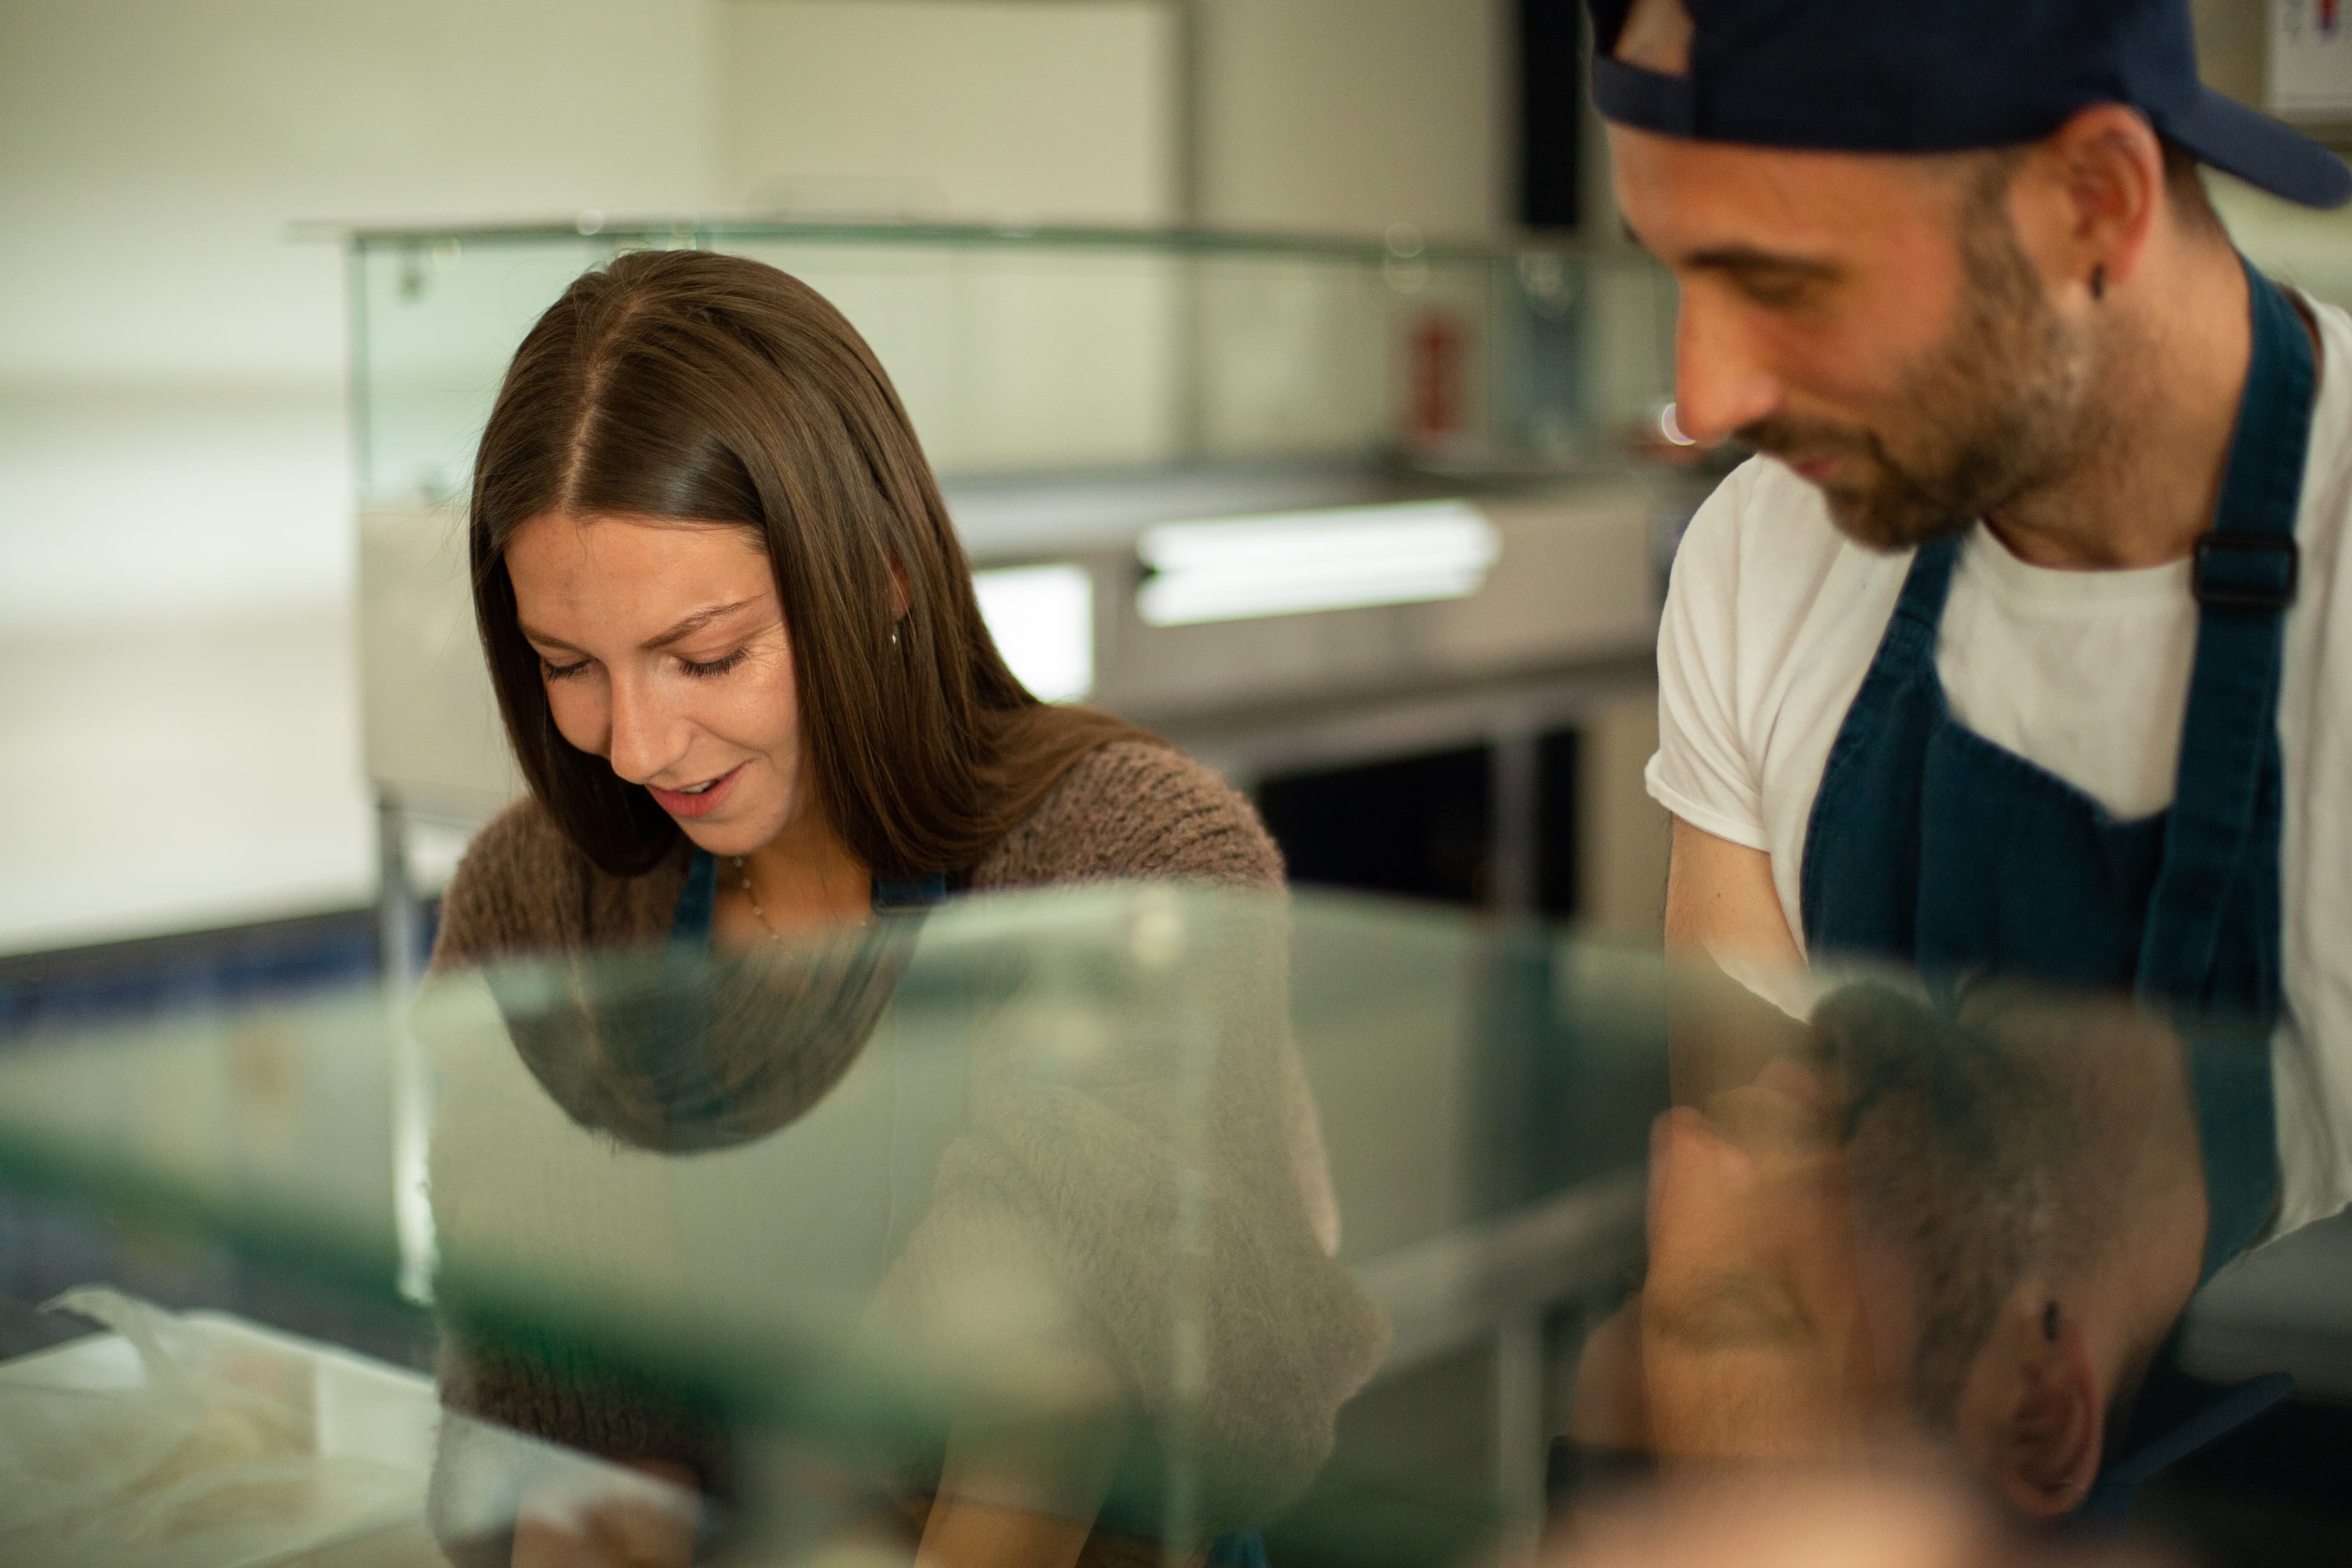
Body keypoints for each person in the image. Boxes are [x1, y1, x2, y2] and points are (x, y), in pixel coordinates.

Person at [422, 247, 1376, 1567]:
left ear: (879, 576)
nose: (636, 744)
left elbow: (1030, 1437)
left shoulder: (1130, 859)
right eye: (569, 663)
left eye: (707, 656)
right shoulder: (542, 894)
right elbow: (581, 1445)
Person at [1599, 0, 2352, 1283]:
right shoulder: (1759, 553)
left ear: (2095, 202)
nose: (1709, 396)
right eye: (1673, 269)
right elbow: (1751, 1275)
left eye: (1785, 282)